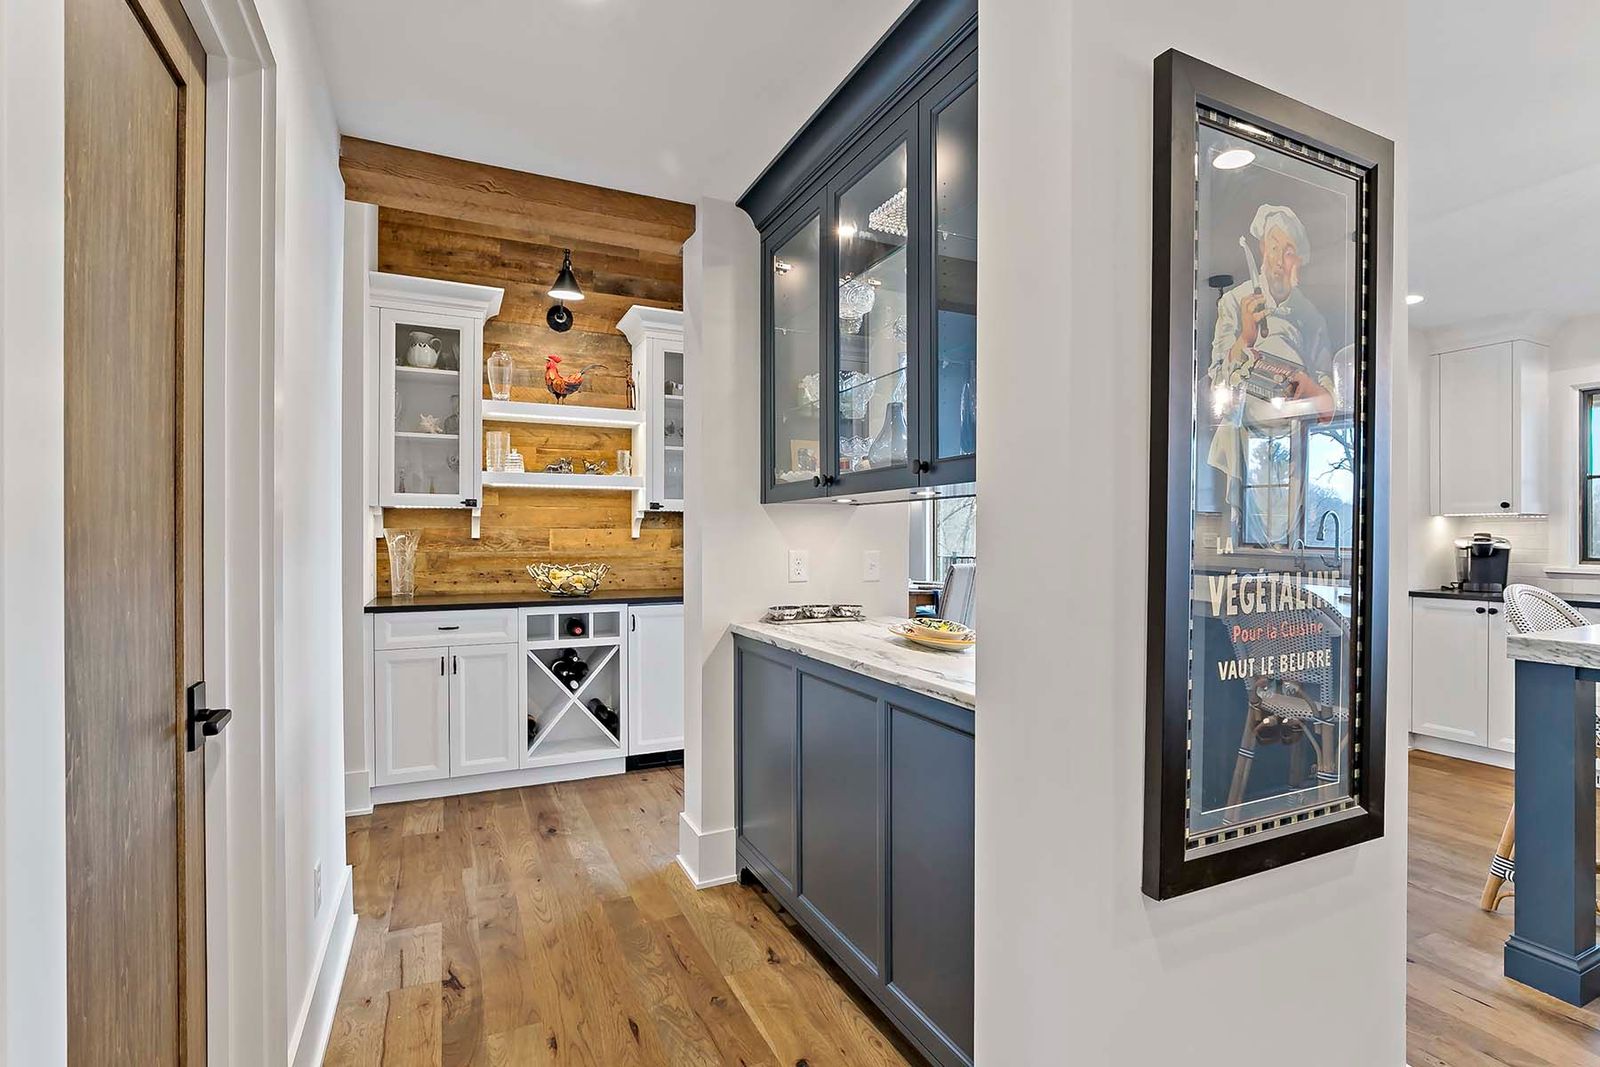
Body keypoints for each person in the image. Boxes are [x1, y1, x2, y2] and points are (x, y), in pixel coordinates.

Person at [1207, 204, 1339, 545]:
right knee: (1240, 527)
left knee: (1282, 522)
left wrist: (1306, 385)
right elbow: (1217, 384)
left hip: (1289, 438)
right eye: (1273, 247)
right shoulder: (1234, 303)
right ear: (1262, 249)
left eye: (1289, 252)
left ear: (1300, 262)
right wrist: (1245, 338)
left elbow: (1328, 408)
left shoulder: (1312, 319)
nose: (1279, 261)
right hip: (1243, 432)